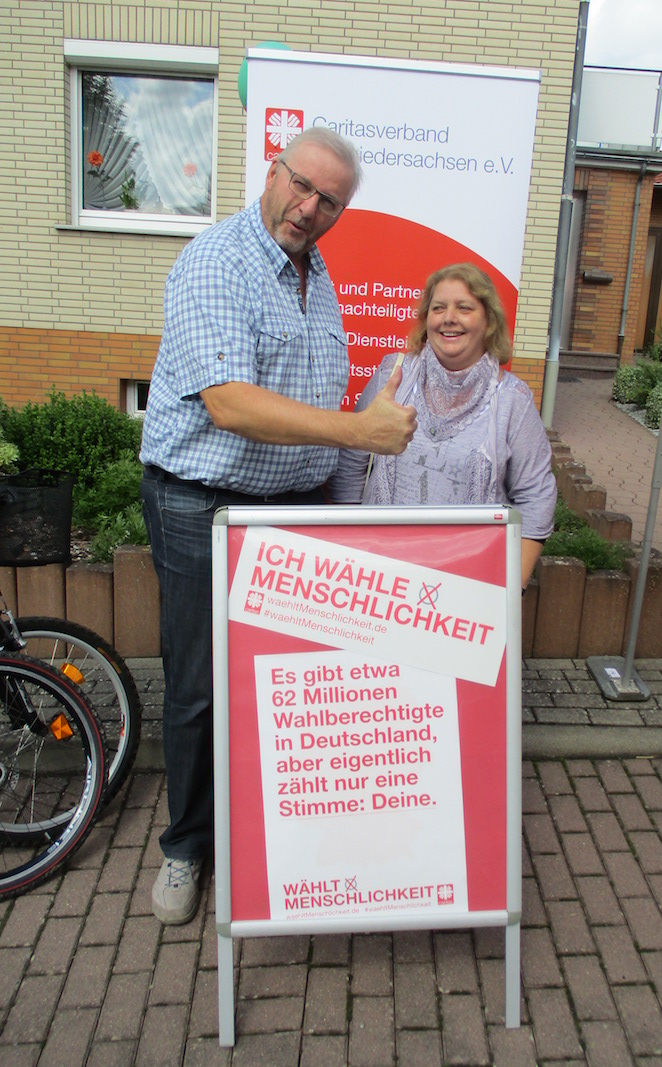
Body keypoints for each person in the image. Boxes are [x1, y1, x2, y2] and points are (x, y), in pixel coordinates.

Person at [139, 127, 417, 925]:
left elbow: (311, 402)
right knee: (199, 687)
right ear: (273, 169)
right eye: (301, 184)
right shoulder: (217, 261)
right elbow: (229, 403)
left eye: (329, 200)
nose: (309, 207)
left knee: (282, 685)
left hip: (289, 510)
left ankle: (269, 832)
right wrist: (356, 432)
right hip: (202, 504)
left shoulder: (316, 276)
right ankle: (186, 847)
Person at [328, 263, 556, 586]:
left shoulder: (511, 400)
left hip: (464, 586)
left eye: (464, 308)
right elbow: (351, 463)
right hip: (376, 579)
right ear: (426, 319)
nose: (449, 318)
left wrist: (509, 590)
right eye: (438, 308)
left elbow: (536, 497)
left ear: (488, 321)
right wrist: (351, 549)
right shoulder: (392, 376)